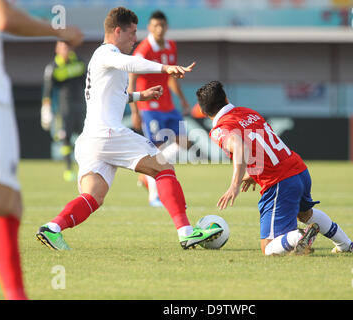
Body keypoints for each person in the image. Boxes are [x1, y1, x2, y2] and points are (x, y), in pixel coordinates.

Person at [36, 7, 223, 251]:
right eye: (132, 33)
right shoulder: (107, 53)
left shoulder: (101, 59)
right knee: (163, 167)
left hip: (91, 140)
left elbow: (110, 96)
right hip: (109, 134)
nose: (135, 39)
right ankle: (186, 232)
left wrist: (138, 95)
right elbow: (131, 63)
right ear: (117, 31)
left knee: (94, 195)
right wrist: (165, 68)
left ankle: (53, 228)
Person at [0, 0, 83, 300]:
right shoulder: (54, 64)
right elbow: (3, 18)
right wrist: (59, 30)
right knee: (3, 199)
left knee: (10, 203)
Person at [196, 81, 353, 256]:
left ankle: (300, 236)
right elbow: (262, 144)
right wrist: (252, 173)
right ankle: (346, 245)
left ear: (204, 112)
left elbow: (240, 147)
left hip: (279, 182)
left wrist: (234, 185)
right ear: (226, 98)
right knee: (305, 214)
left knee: (268, 248)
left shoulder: (219, 129)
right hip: (298, 169)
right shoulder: (248, 112)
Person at [128, 10, 191, 207]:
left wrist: (182, 99)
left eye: (162, 25)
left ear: (166, 27)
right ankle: (154, 196)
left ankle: (147, 177)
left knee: (184, 142)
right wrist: (134, 110)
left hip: (168, 105)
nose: (159, 29)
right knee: (156, 151)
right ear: (149, 27)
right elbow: (132, 77)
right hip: (149, 106)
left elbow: (170, 76)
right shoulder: (144, 49)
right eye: (155, 25)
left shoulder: (171, 46)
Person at [41, 41, 87, 182]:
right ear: (57, 49)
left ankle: (85, 168)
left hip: (81, 106)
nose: (65, 49)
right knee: (66, 138)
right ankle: (68, 169)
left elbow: (88, 83)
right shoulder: (53, 67)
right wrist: (46, 109)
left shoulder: (79, 63)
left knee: (85, 139)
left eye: (67, 47)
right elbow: (47, 91)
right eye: (62, 47)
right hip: (64, 108)